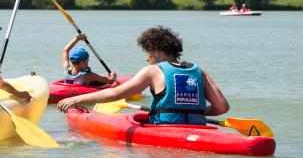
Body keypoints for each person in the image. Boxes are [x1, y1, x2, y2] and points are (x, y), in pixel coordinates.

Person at [57, 26, 229, 125]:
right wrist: (194, 111)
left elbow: (115, 93)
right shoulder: (199, 71)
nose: (147, 57)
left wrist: (76, 100)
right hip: (198, 130)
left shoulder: (153, 71)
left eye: (148, 52)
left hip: (165, 133)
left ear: (157, 51)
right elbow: (222, 108)